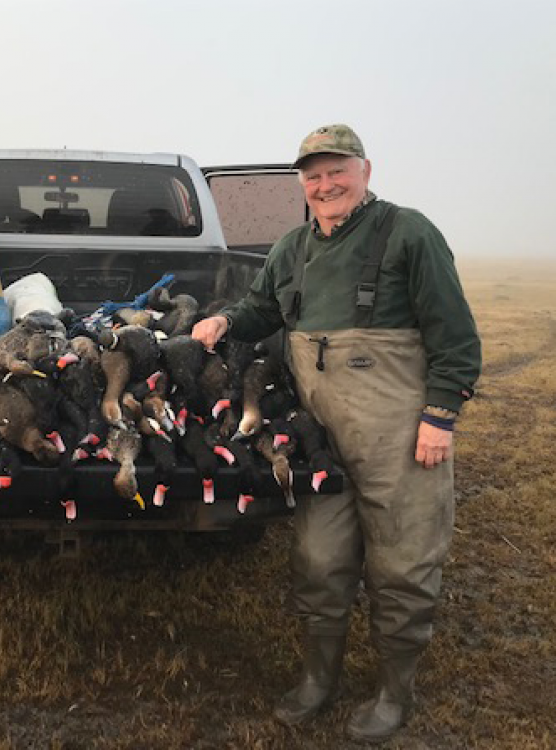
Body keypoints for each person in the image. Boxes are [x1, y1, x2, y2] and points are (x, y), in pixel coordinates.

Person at [192, 124, 481, 743]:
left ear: (365, 171)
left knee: (402, 565)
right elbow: (263, 309)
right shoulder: (292, 246)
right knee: (319, 561)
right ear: (302, 183)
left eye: (336, 171)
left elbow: (455, 336)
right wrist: (222, 319)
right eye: (313, 175)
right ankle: (319, 681)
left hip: (397, 435)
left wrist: (439, 418)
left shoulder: (409, 232)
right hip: (319, 436)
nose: (325, 185)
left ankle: (393, 693)